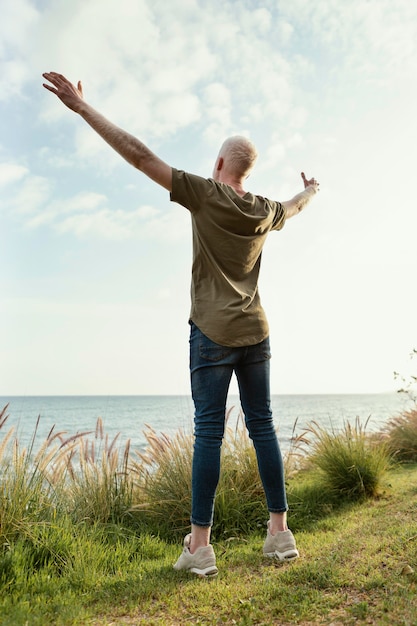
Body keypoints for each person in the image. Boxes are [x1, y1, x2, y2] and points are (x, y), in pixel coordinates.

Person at [42, 72, 320, 577]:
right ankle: (280, 534)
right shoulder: (265, 210)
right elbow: (295, 207)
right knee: (264, 427)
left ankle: (200, 547)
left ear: (218, 165)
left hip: (212, 332)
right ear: (248, 171)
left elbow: (140, 155)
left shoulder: (205, 192)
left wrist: (84, 110)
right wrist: (313, 190)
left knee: (209, 434)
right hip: (257, 331)